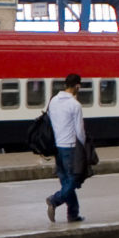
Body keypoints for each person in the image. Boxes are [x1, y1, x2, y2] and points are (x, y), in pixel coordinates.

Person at [46, 73, 88, 224]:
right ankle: (54, 200)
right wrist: (83, 147)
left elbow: (50, 122)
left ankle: (73, 214)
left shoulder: (53, 101)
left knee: (66, 181)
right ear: (77, 85)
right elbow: (79, 131)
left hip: (57, 146)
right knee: (73, 180)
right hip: (70, 147)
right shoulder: (75, 105)